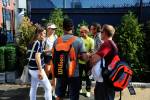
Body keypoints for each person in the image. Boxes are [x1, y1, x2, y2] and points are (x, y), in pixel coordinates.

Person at [51, 18, 88, 100]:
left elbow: (53, 58)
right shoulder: (78, 41)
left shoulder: (57, 41)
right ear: (73, 27)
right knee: (74, 97)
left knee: (59, 96)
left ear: (62, 28)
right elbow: (85, 58)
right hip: (74, 74)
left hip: (60, 72)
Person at [90, 24, 118, 100]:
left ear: (105, 33)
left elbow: (94, 59)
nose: (100, 33)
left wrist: (88, 57)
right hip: (110, 78)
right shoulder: (113, 44)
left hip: (104, 81)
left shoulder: (107, 43)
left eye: (101, 31)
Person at [27, 25, 52, 100]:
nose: (45, 35)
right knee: (48, 88)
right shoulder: (38, 43)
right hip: (37, 70)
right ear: (39, 34)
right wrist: (41, 71)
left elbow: (38, 52)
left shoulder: (32, 42)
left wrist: (49, 50)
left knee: (33, 87)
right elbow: (37, 57)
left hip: (31, 69)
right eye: (44, 33)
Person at [78, 25, 94, 97]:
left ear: (86, 32)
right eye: (80, 32)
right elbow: (76, 50)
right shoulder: (79, 40)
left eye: (81, 32)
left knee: (88, 77)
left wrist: (88, 54)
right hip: (80, 62)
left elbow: (93, 51)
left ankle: (88, 90)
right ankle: (79, 88)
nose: (80, 33)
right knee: (79, 76)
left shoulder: (91, 40)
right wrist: (79, 55)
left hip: (87, 62)